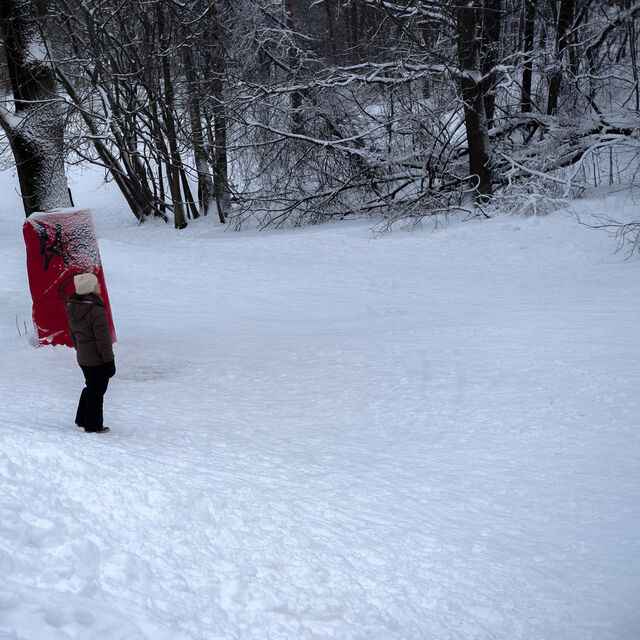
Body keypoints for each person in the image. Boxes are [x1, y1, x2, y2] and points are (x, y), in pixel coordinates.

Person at [65, 273, 116, 434]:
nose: (99, 286)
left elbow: (73, 334)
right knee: (97, 390)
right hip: (96, 359)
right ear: (91, 288)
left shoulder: (72, 306)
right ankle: (93, 425)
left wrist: (80, 350)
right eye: (96, 284)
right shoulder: (96, 311)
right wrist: (109, 361)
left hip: (83, 357)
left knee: (91, 387)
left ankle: (82, 418)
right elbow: (103, 341)